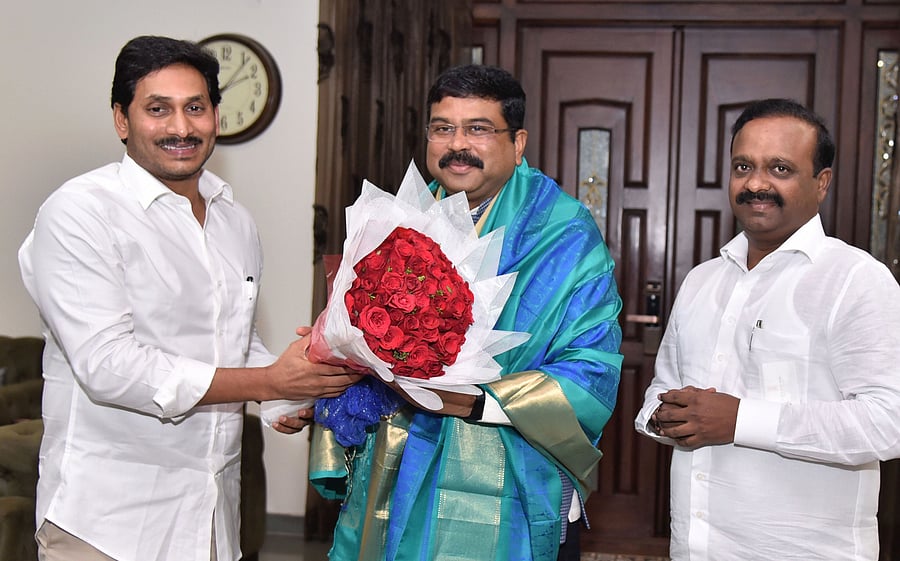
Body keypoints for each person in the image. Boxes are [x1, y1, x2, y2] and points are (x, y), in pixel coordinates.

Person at [18, 35, 361, 561]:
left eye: (194, 108)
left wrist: (293, 390)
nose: (181, 127)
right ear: (121, 119)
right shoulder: (80, 213)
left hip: (212, 520)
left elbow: (234, 341)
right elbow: (108, 366)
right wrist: (267, 381)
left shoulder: (234, 220)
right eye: (158, 109)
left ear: (215, 117)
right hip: (106, 524)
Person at [309, 64, 623, 561]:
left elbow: (592, 370)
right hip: (398, 468)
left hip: (516, 473)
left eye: (478, 128)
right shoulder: (398, 221)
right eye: (442, 128)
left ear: (518, 143)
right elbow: (359, 341)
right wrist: (322, 379)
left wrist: (475, 402)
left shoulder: (563, 233)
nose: (458, 144)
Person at [634, 98, 900, 560]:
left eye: (779, 168)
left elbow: (888, 422)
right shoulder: (702, 280)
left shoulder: (854, 279)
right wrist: (663, 417)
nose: (756, 183)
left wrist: (739, 420)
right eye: (743, 166)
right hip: (694, 548)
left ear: (822, 183)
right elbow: (662, 389)